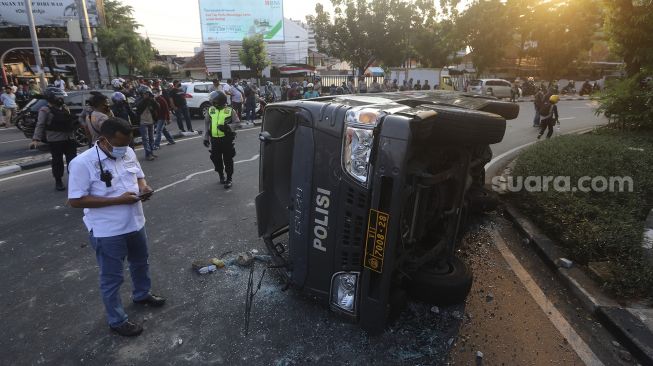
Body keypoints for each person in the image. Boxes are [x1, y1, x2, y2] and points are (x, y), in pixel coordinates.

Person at [67, 117, 165, 337]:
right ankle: (117, 320)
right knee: (112, 278)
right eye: (119, 144)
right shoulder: (83, 163)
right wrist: (118, 200)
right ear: (104, 140)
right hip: (107, 231)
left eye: (127, 144)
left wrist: (144, 187)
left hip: (136, 222)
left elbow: (139, 176)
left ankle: (142, 294)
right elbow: (75, 201)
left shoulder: (128, 152)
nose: (124, 149)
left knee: (140, 263)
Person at [29, 91, 78, 191]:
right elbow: (40, 124)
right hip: (55, 140)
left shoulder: (64, 108)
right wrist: (35, 139)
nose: (61, 100)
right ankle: (58, 181)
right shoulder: (44, 110)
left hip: (69, 138)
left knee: (73, 161)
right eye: (59, 98)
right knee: (57, 161)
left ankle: (75, 180)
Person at [203, 91, 238, 189]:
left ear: (220, 101)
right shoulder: (210, 110)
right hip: (214, 140)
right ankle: (221, 175)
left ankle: (229, 178)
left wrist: (228, 127)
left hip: (226, 140)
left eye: (214, 101)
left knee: (228, 160)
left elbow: (238, 123)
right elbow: (206, 124)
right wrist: (206, 138)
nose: (212, 102)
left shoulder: (230, 111)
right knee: (215, 158)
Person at [135, 89, 159, 161]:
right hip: (143, 123)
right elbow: (138, 107)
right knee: (145, 139)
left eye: (147, 94)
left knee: (151, 138)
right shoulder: (139, 101)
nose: (146, 95)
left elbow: (157, 106)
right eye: (145, 94)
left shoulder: (151, 101)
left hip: (151, 122)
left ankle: (151, 152)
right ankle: (148, 154)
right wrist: (145, 100)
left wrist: (152, 99)